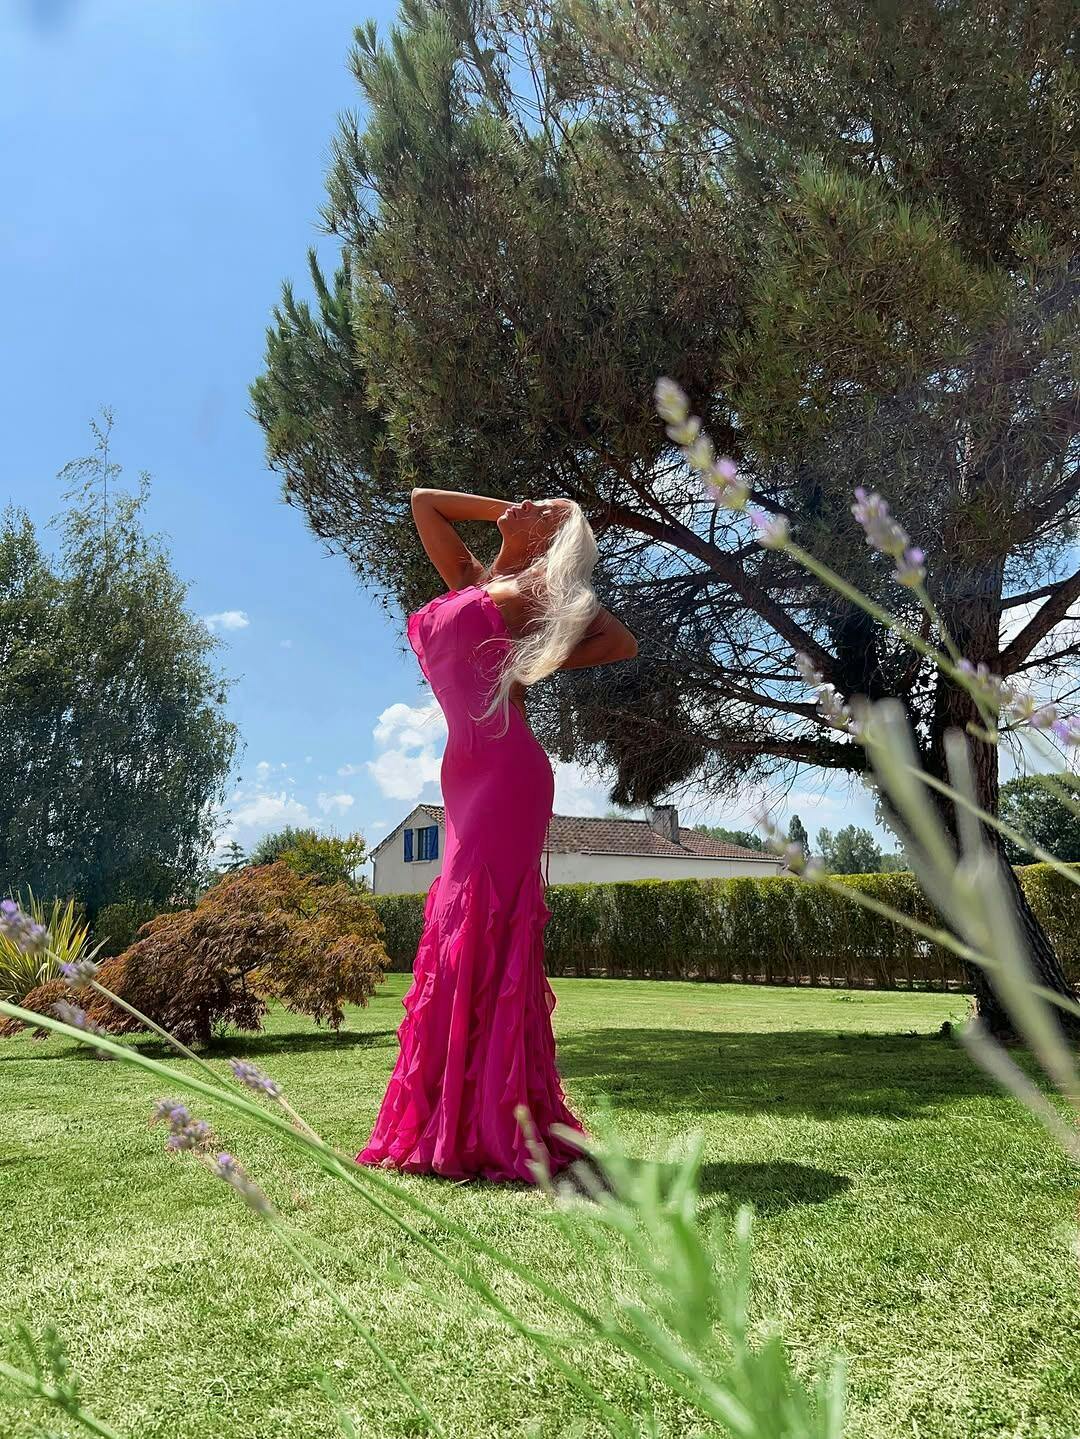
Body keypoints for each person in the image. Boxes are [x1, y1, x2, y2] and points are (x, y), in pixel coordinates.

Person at [355, 488, 638, 1185]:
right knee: (456, 928)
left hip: (508, 771)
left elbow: (621, 642)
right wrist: (512, 517)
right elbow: (423, 502)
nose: (526, 501)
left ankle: (486, 1118)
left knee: (484, 926)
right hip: (463, 773)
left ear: (552, 538)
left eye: (544, 505)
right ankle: (448, 1112)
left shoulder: (537, 592)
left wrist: (536, 657)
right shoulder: (473, 579)